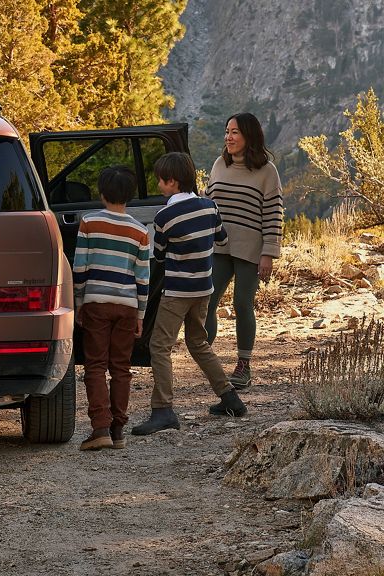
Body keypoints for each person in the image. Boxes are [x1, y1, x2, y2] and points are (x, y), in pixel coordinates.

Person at [132, 152, 246, 436]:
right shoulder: (209, 207)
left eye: (160, 180)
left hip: (177, 292)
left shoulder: (164, 216)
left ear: (171, 181)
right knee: (198, 343)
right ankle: (230, 398)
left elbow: (157, 255)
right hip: (203, 289)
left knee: (159, 346)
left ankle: (163, 410)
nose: (159, 185)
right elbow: (222, 239)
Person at [72, 165, 150, 450]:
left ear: (102, 193)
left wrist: (80, 302)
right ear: (129, 196)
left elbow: (80, 266)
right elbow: (143, 278)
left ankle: (100, 427)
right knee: (121, 367)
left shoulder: (89, 222)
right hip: (128, 306)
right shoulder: (140, 231)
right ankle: (118, 431)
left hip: (97, 303)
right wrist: (140, 314)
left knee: (95, 365)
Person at [204, 113, 284, 390]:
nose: (228, 137)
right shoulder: (219, 165)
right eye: (227, 131)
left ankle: (243, 366)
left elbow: (274, 214)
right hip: (219, 246)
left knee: (242, 304)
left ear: (249, 136)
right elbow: (208, 204)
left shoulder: (267, 171)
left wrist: (269, 253)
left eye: (235, 132)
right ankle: (208, 362)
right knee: (207, 303)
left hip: (251, 250)